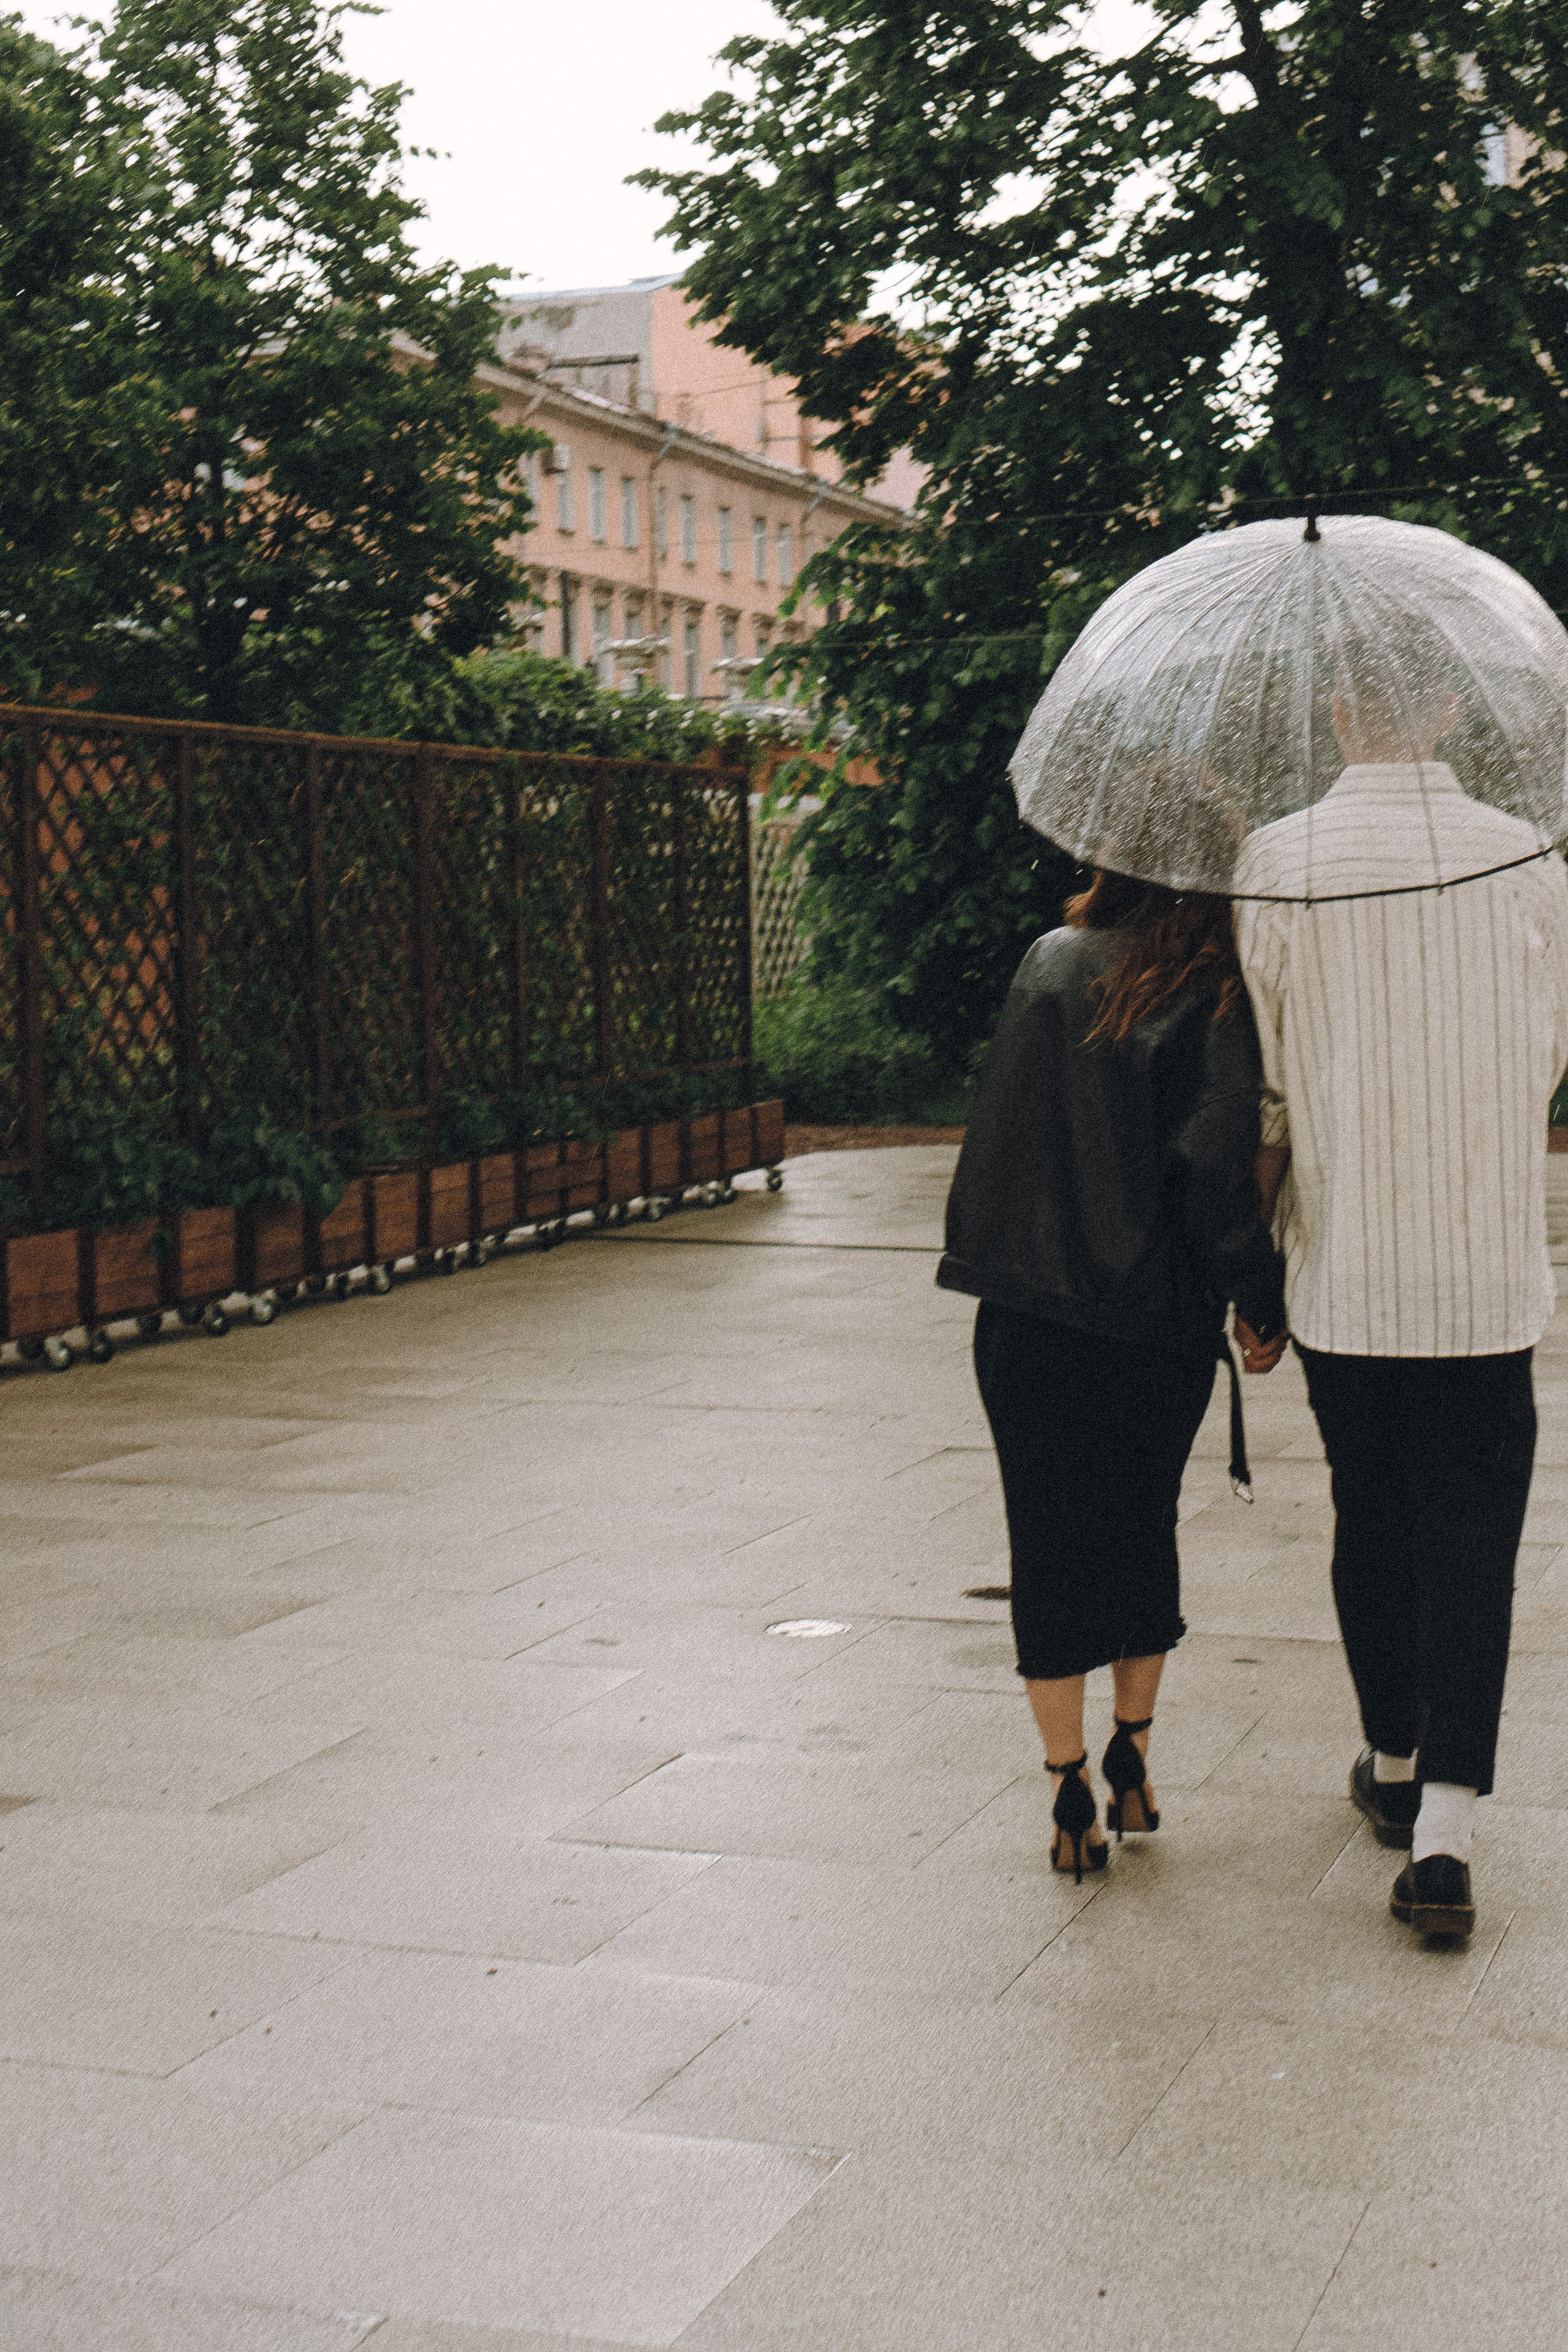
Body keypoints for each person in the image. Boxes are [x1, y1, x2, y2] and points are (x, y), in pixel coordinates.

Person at [1234, 667, 1568, 1939]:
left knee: (1368, 1517)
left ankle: (1385, 1755)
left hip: (1346, 1272)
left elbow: (1265, 1092)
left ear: (1331, 711)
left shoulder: (1275, 861)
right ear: (1441, 714)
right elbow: (1544, 1055)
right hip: (1483, 1273)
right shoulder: (1528, 861)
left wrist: (1252, 1279)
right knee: (1471, 1547)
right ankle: (1441, 1835)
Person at [938, 865, 1287, 1879]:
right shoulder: (1216, 994)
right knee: (1141, 1523)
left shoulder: (1044, 965)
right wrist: (1258, 1300)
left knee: (1043, 1538)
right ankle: (1134, 1750)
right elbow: (1212, 1171)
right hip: (1153, 1323)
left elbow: (1002, 1130)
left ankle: (1066, 1785)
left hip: (1025, 1313)